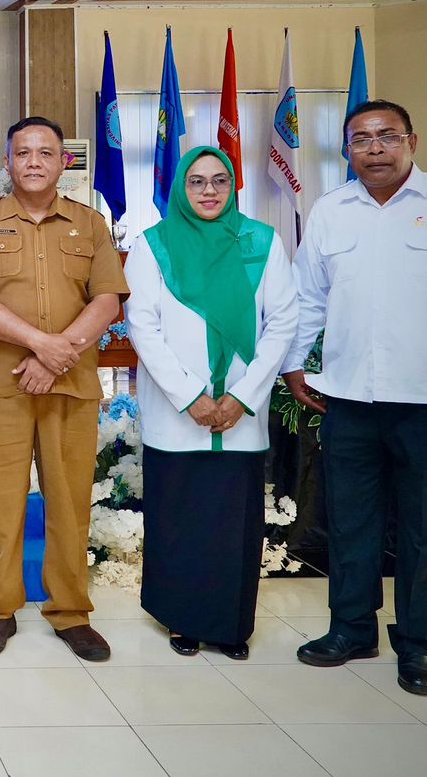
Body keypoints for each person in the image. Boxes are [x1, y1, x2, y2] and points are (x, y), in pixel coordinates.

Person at [283, 100, 427, 697]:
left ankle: (419, 644)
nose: (374, 148)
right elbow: (308, 297)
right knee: (350, 522)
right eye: (361, 139)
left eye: (387, 136)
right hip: (349, 398)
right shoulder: (331, 210)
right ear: (347, 150)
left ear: (411, 142)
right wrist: (295, 364)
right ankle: (351, 630)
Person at [0, 117, 127, 663]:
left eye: (45, 152)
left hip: (71, 384)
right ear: (7, 161)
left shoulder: (90, 224)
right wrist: (40, 345)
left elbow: (107, 299)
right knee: (1, 501)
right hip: (2, 385)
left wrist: (59, 354)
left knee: (70, 500)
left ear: (63, 162)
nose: (34, 161)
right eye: (23, 152)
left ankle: (71, 611)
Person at [125, 147, 298, 660]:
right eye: (196, 181)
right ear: (181, 187)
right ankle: (182, 619)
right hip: (177, 412)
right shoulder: (153, 245)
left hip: (241, 411)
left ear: (232, 186)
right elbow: (143, 327)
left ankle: (229, 625)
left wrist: (242, 396)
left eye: (219, 181)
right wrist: (190, 397)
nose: (208, 191)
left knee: (233, 524)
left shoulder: (261, 241)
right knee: (178, 518)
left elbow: (282, 322)